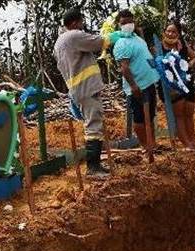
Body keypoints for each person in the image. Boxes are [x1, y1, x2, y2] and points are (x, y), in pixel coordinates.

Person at [53, 7, 110, 178]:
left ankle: (96, 165)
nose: (82, 25)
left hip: (78, 89)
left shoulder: (59, 43)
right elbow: (98, 42)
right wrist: (114, 36)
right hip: (86, 88)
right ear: (74, 23)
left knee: (92, 123)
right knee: (93, 126)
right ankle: (93, 167)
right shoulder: (73, 36)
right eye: (81, 22)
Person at [112, 9, 161, 152]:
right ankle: (146, 146)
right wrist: (133, 86)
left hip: (149, 83)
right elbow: (124, 67)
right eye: (124, 23)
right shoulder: (121, 43)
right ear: (119, 24)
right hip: (139, 86)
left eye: (130, 21)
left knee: (150, 116)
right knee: (139, 118)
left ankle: (153, 144)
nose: (127, 24)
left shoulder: (137, 39)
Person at [160, 22, 195, 149]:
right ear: (164, 32)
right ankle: (186, 143)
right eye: (168, 31)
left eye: (174, 31)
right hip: (172, 84)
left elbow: (194, 58)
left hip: (186, 82)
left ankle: (193, 140)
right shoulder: (159, 47)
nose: (170, 34)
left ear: (178, 33)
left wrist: (188, 65)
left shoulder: (182, 46)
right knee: (179, 114)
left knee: (189, 111)